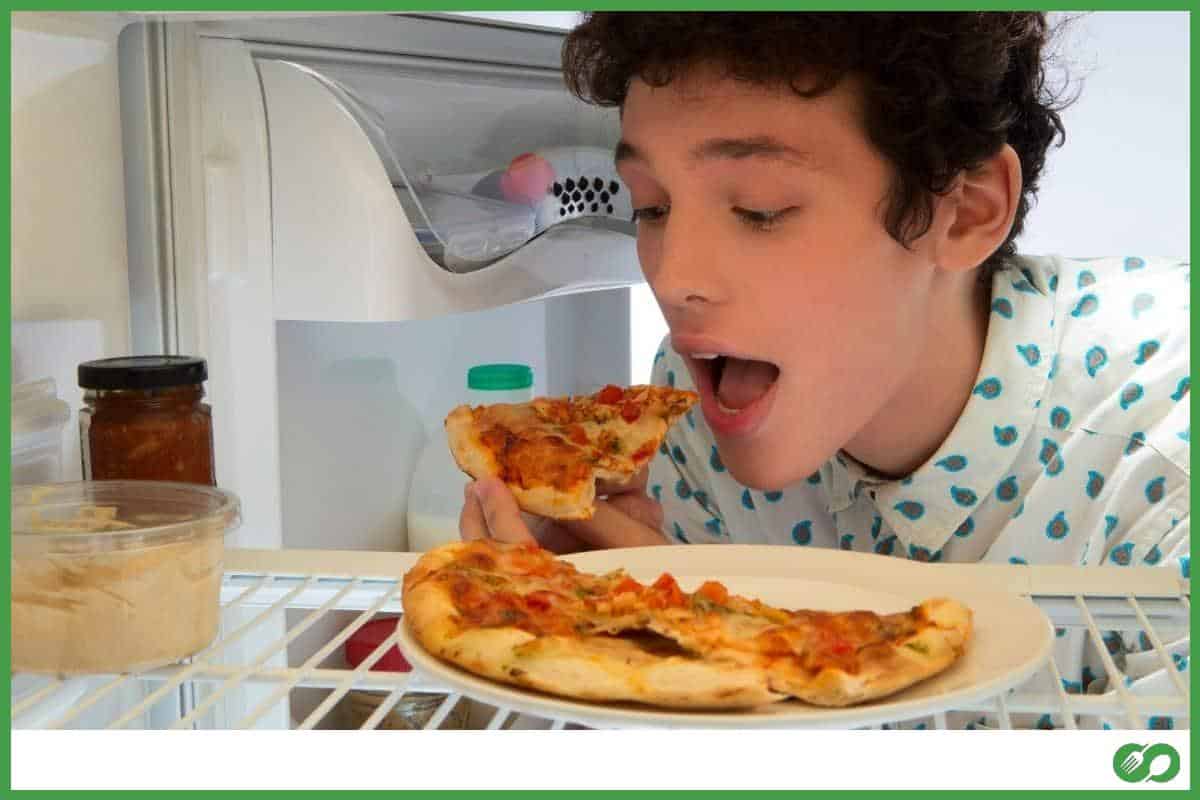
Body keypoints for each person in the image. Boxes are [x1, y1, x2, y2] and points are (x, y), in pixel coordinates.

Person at [459, 12, 1189, 729]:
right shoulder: (690, 410)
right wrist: (603, 614)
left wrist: (693, 624)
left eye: (759, 210)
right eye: (653, 207)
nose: (673, 276)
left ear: (966, 211)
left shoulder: (1168, 458)